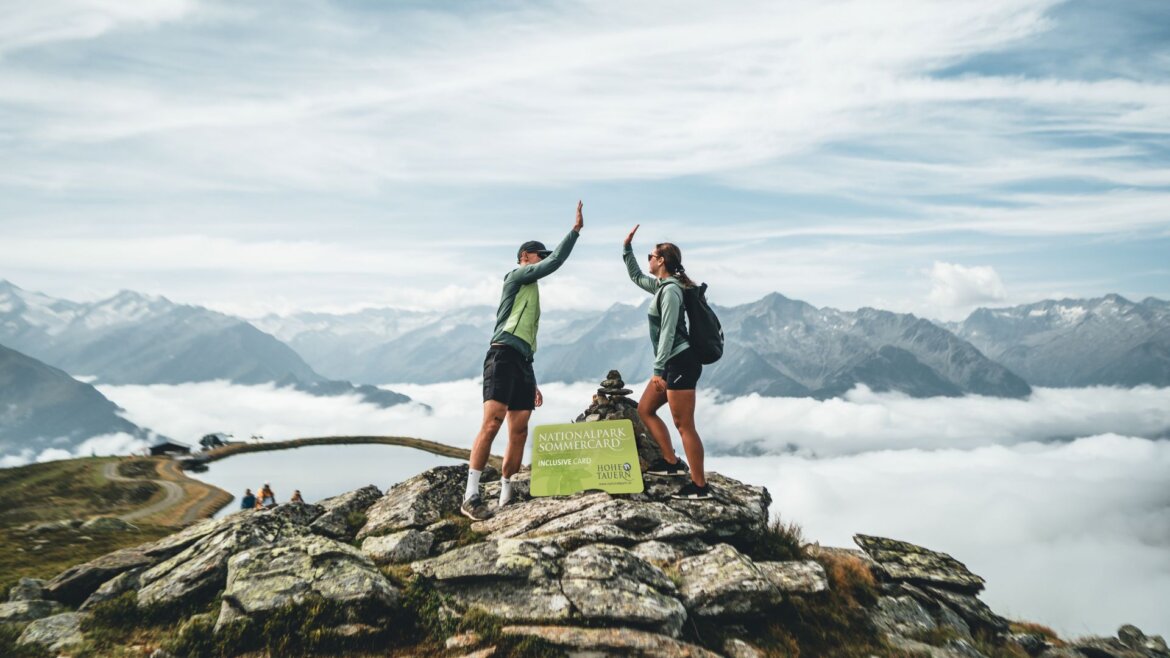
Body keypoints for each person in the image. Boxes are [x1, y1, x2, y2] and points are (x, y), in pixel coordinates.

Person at [461, 201, 585, 520]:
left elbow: (526, 336)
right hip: (502, 355)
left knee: (519, 431)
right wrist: (574, 231)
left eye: (542, 257)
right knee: (493, 421)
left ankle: (506, 495)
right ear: (525, 257)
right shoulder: (516, 276)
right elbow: (555, 262)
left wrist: (532, 377)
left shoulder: (532, 290)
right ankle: (471, 495)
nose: (542, 261)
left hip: (522, 362)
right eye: (539, 256)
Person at [622, 225, 712, 500]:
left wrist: (658, 370)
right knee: (645, 409)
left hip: (681, 362)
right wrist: (627, 249)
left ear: (661, 260)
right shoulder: (662, 287)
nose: (648, 260)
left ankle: (700, 487)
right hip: (673, 363)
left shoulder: (671, 291)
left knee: (684, 425)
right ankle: (671, 462)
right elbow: (636, 277)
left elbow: (668, 332)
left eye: (650, 256)